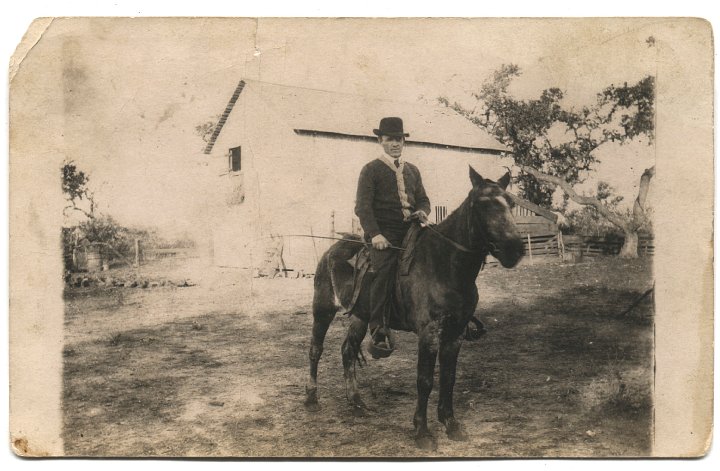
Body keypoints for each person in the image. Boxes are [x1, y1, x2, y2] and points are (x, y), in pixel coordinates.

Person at [355, 117, 430, 355]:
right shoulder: (371, 170)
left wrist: (422, 211)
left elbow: (424, 199)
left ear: (403, 141)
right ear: (381, 141)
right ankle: (378, 327)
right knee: (384, 269)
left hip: (412, 229)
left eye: (399, 139)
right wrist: (375, 234)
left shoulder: (413, 170)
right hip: (384, 233)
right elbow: (363, 208)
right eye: (389, 139)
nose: (395, 144)